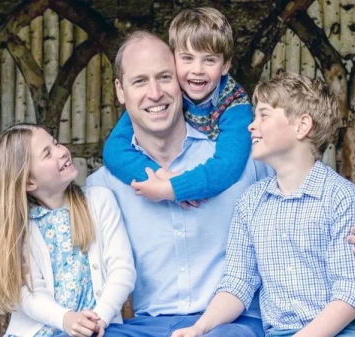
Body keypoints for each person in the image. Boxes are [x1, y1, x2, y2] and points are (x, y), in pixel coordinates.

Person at [86, 31, 355, 337]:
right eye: (139, 82)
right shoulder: (103, 187)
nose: (155, 92)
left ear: (182, 82)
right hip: (148, 324)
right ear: (120, 90)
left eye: (164, 77)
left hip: (235, 323)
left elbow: (306, 190)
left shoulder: (244, 161)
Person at [172, 73, 355, 337]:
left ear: (301, 125)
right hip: (281, 331)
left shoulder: (340, 197)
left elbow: (351, 291)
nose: (251, 125)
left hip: (346, 329)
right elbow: (238, 283)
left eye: (263, 116)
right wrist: (200, 327)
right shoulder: (250, 202)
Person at [0, 124, 136, 337]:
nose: (62, 151)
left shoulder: (100, 201)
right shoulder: (20, 228)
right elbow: (28, 294)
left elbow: (122, 269)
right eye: (48, 153)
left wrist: (100, 317)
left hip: (99, 329)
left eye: (55, 143)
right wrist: (66, 319)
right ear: (29, 181)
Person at [102, 7, 252, 205]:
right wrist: (159, 176)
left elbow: (228, 166)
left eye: (209, 60)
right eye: (187, 58)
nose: (197, 70)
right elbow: (114, 150)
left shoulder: (236, 105)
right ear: (173, 59)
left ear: (225, 66)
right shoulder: (170, 91)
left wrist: (175, 188)